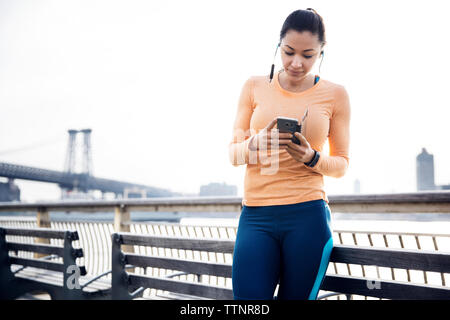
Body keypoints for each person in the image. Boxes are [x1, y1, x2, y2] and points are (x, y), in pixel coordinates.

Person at [228, 8, 351, 300]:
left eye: (308, 55)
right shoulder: (253, 86)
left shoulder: (336, 95)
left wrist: (312, 157)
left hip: (307, 216)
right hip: (256, 216)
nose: (296, 63)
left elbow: (342, 164)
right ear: (278, 45)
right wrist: (253, 145)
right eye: (288, 52)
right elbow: (233, 155)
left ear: (322, 51)